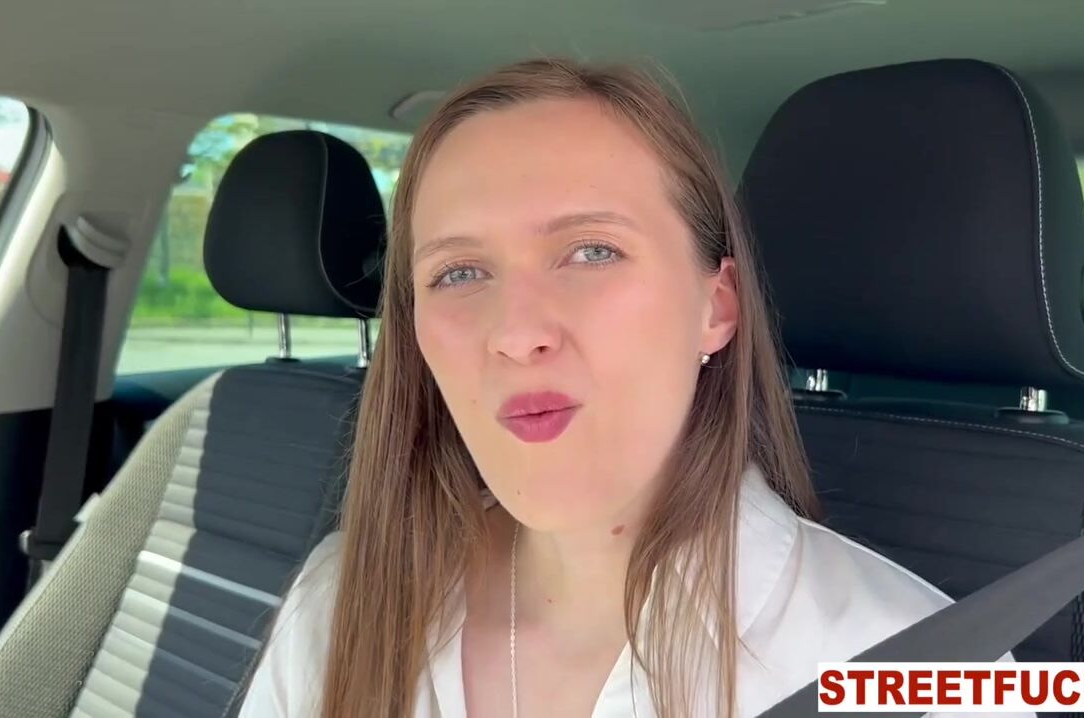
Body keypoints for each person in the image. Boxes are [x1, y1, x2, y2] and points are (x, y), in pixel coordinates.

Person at [238, 58, 1031, 718]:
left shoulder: (921, 673)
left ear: (716, 308)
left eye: (592, 252)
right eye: (460, 272)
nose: (516, 332)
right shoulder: (339, 606)